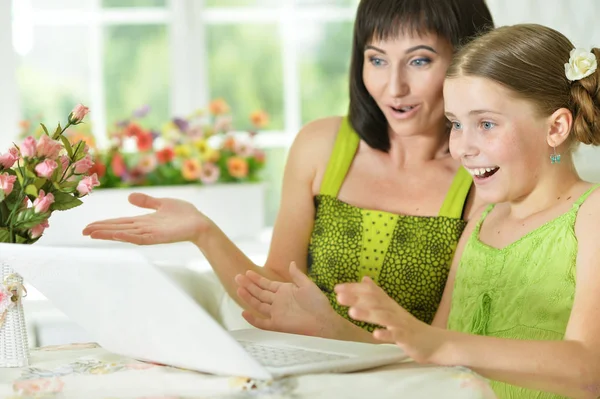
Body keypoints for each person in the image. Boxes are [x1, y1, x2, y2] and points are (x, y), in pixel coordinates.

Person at [83, 0, 494, 342]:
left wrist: (333, 330)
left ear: (466, 61)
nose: (394, 87)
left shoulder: (482, 179)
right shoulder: (322, 146)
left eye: (419, 60)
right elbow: (274, 288)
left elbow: (445, 344)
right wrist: (202, 232)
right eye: (377, 59)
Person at [333, 24, 600, 398]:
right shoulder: (481, 222)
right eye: (456, 124)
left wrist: (441, 345)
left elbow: (589, 370)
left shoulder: (593, 216)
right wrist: (326, 324)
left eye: (486, 124)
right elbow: (430, 354)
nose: (461, 148)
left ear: (556, 127)